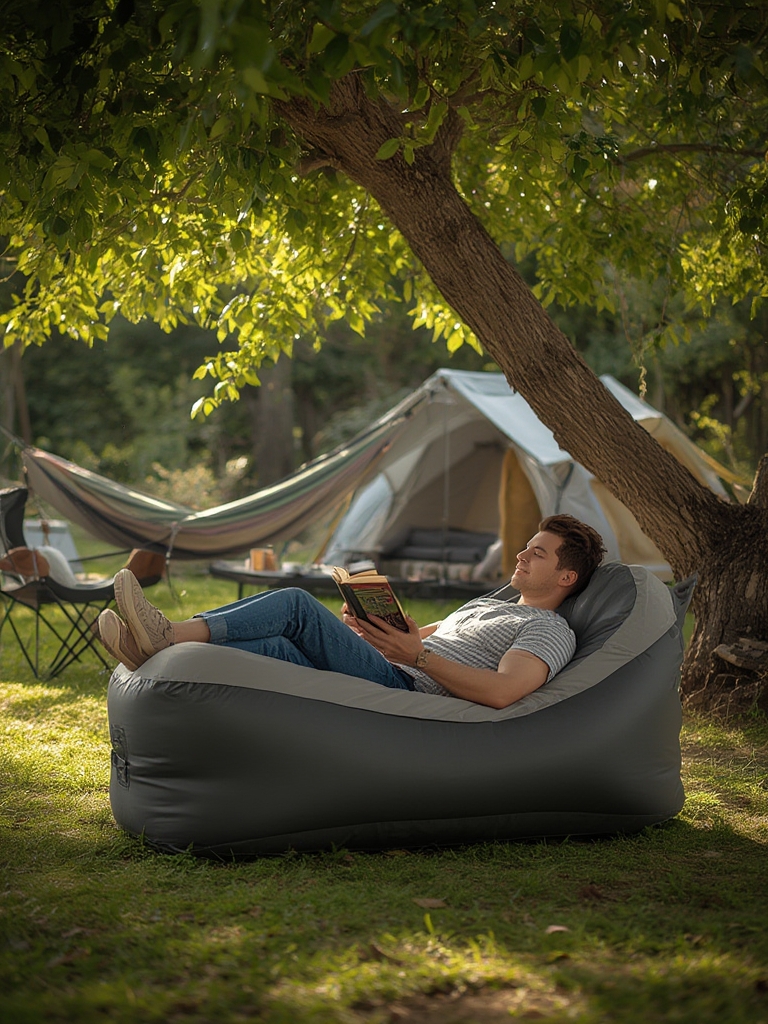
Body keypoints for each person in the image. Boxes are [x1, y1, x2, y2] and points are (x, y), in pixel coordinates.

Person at [97, 514, 606, 710]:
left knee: (296, 604)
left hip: (406, 684)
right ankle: (155, 653)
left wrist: (418, 656)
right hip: (389, 663)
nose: (520, 555)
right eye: (526, 546)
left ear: (566, 578)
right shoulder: (485, 604)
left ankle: (165, 635)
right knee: (276, 645)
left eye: (537, 553)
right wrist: (371, 629)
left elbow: (503, 692)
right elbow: (417, 635)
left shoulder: (549, 628)